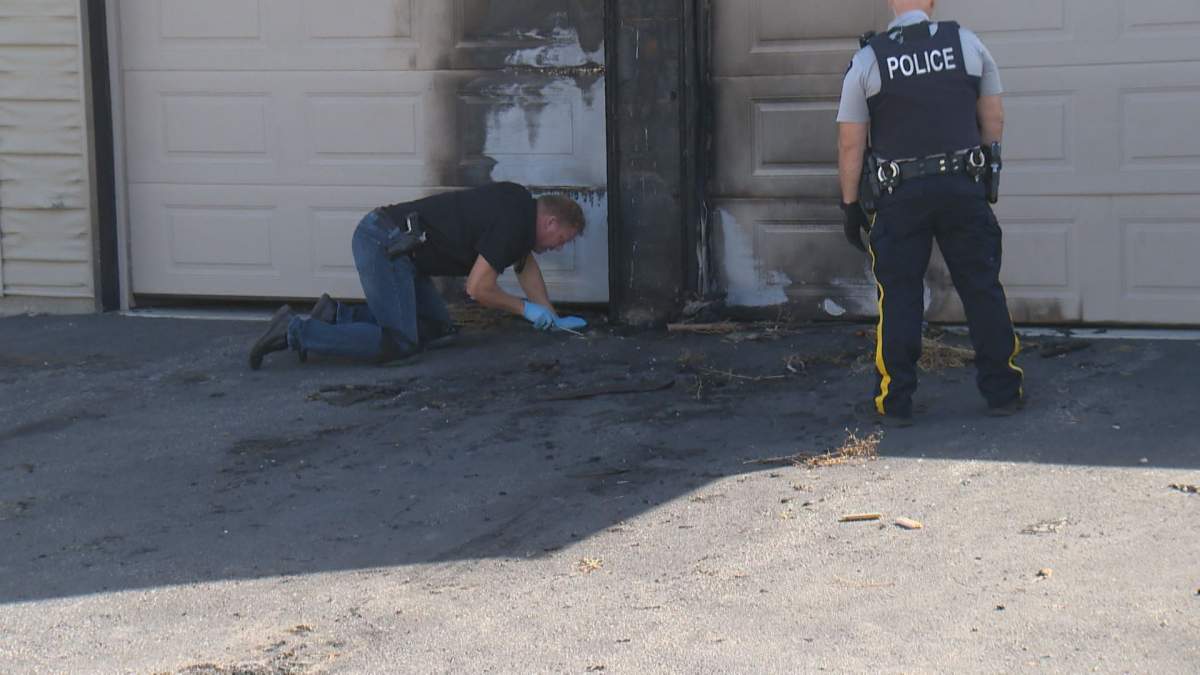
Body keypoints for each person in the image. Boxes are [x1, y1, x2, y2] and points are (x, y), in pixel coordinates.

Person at [836, 0, 1024, 426]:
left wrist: (850, 204)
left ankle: (896, 401)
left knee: (899, 295)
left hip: (900, 195)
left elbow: (851, 142)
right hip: (961, 186)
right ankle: (1003, 391)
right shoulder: (968, 45)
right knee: (981, 288)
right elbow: (993, 118)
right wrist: (985, 176)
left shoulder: (869, 59)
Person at [249, 182, 588, 369]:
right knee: (400, 342)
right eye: (562, 241)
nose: (558, 248)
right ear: (550, 223)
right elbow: (478, 288)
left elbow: (524, 264)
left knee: (438, 329)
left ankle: (336, 316)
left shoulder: (519, 206)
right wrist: (526, 310)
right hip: (383, 243)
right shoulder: (516, 223)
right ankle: (295, 331)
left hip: (401, 252)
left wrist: (553, 316)